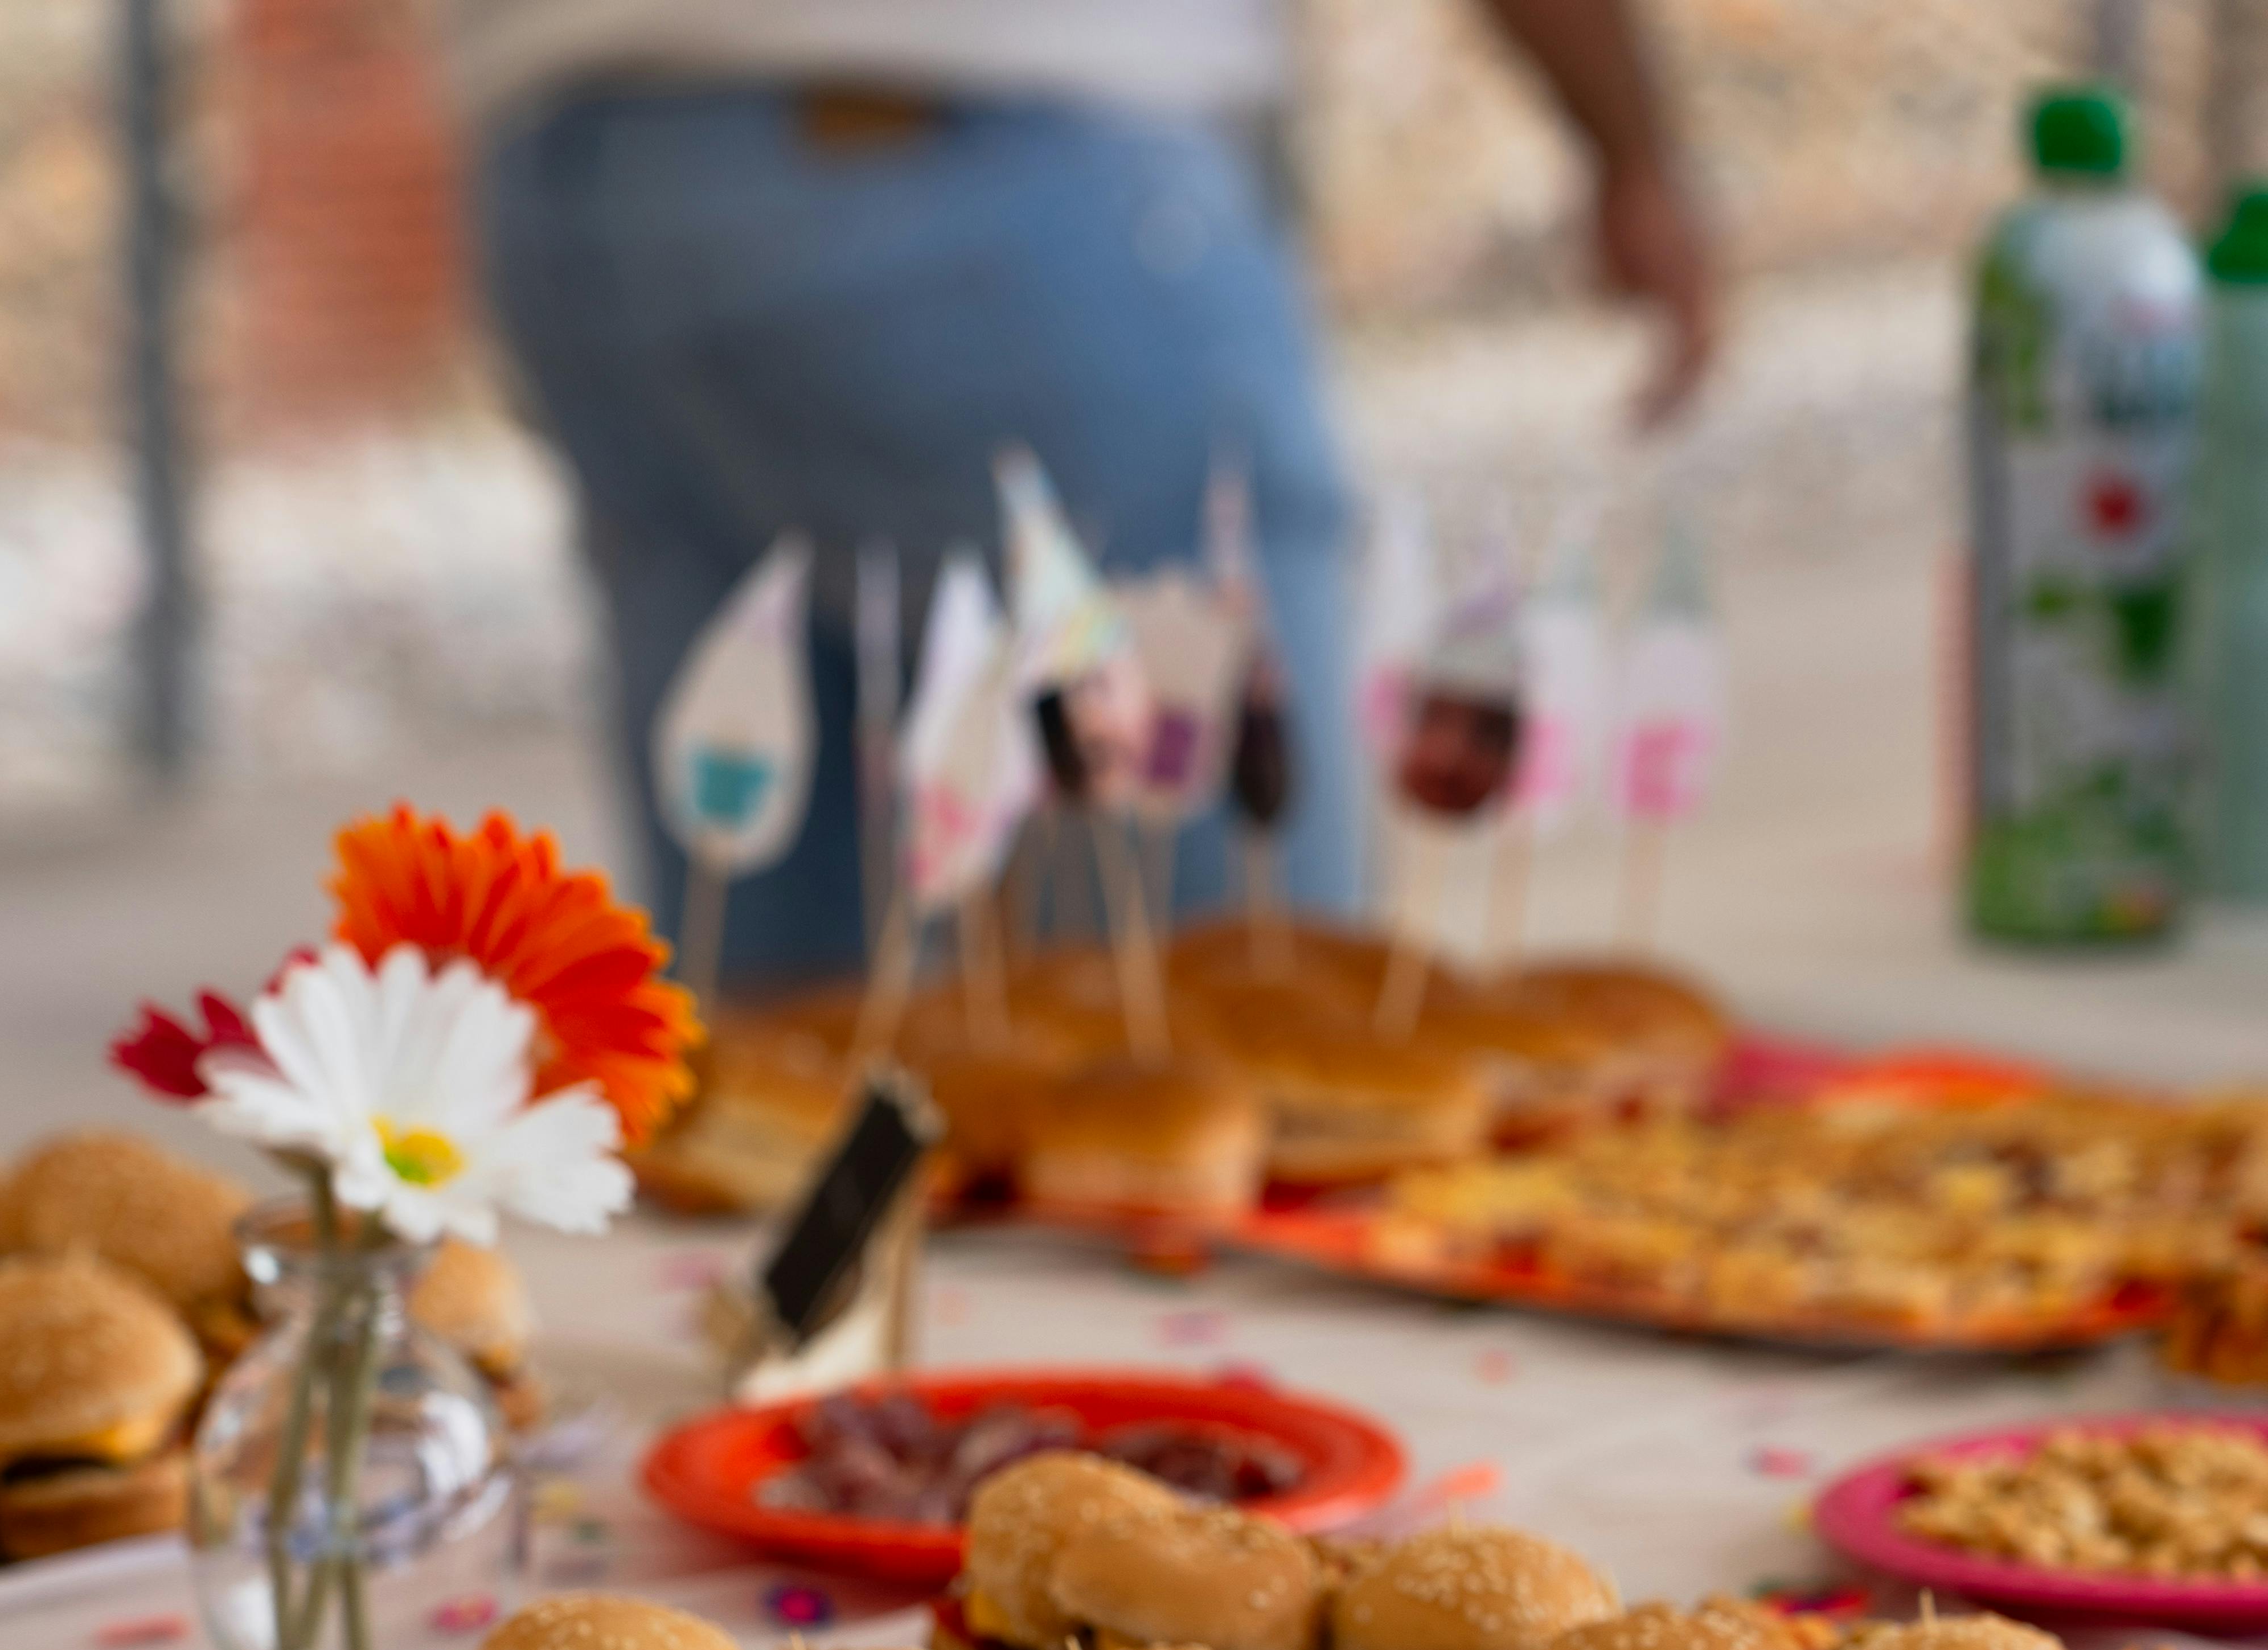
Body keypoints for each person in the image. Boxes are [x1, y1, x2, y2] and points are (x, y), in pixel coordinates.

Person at [442, 0, 1715, 986]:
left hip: (579, 174)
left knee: (792, 1077)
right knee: (1230, 1044)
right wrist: (1633, 152)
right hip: (981, 137)